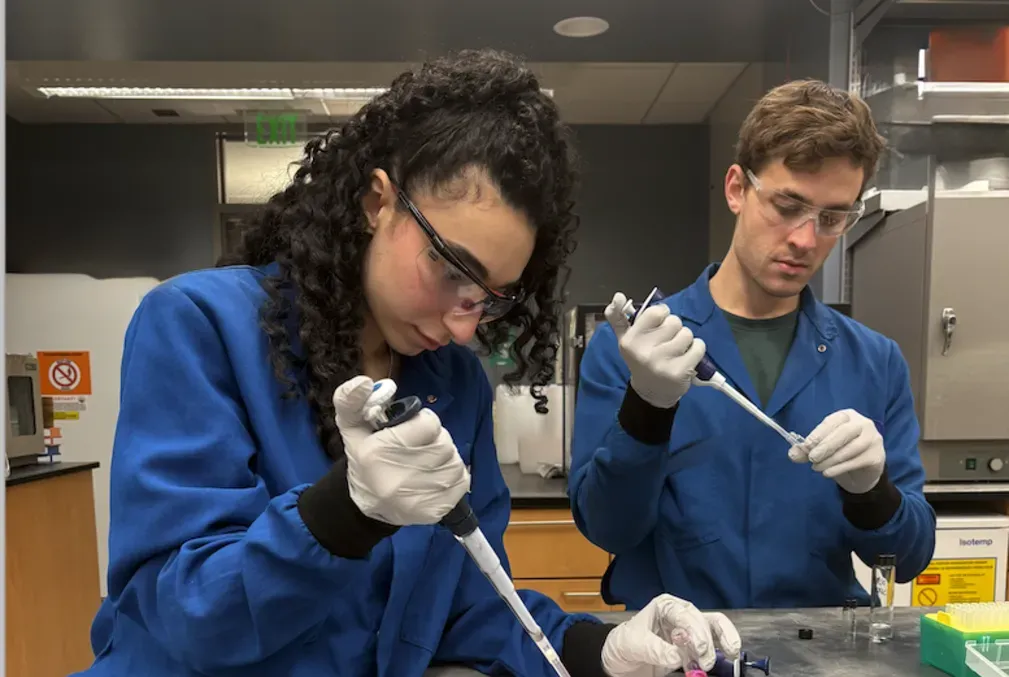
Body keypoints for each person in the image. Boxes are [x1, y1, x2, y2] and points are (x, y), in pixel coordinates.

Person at [76, 50, 741, 677]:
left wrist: (599, 646)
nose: (461, 323)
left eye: (489, 298)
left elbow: (471, 607)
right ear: (377, 204)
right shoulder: (198, 326)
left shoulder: (449, 384)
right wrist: (345, 510)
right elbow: (188, 614)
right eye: (452, 269)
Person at [569, 79, 937, 612]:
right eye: (788, 206)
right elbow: (609, 528)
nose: (806, 241)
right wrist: (646, 408)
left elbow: (908, 559)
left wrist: (872, 492)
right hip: (675, 653)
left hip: (820, 654)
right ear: (738, 188)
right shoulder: (634, 349)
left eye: (832, 218)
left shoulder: (874, 362)